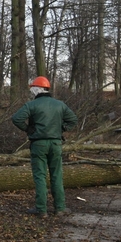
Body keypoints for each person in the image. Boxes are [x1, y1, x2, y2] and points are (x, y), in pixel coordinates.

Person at [11, 76, 78, 218]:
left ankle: (41, 210)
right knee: (57, 175)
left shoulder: (32, 105)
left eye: (32, 89)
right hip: (56, 143)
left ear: (36, 89)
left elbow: (16, 118)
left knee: (40, 176)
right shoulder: (60, 104)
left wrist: (28, 129)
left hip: (38, 144)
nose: (31, 92)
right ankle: (60, 208)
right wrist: (62, 128)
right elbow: (73, 119)